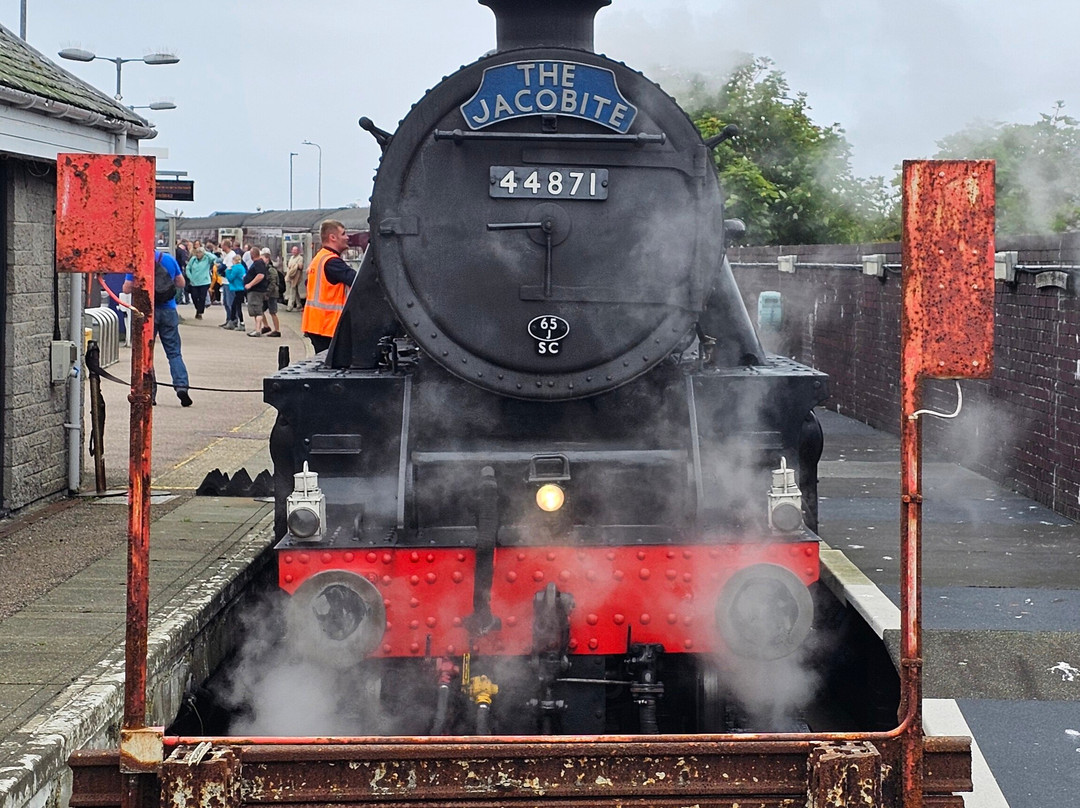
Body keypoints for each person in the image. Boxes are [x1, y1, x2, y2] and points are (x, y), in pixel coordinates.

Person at [123, 249, 192, 407]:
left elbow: (126, 288)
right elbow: (181, 283)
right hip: (168, 310)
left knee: (146, 354)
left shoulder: (137, 260)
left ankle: (149, 392)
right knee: (174, 352)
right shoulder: (168, 259)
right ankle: (182, 387)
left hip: (146, 311)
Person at [302, 219, 356, 353]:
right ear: (333, 237)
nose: (347, 237)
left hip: (316, 324)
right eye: (343, 234)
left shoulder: (319, 258)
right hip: (327, 325)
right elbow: (358, 281)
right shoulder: (332, 262)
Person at [243, 247, 270, 337]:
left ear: (252, 255)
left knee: (257, 310)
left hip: (256, 291)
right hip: (255, 291)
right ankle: (257, 328)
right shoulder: (258, 263)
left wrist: (250, 284)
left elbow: (260, 275)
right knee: (255, 311)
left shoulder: (258, 263)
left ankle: (258, 330)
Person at [185, 242, 214, 319]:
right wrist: (190, 277)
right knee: (194, 297)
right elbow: (188, 268)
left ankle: (200, 312)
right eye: (197, 253)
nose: (198, 254)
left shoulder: (207, 259)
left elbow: (214, 258)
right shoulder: (193, 259)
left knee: (202, 297)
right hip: (194, 282)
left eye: (200, 253)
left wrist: (206, 252)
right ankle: (198, 308)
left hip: (204, 282)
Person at [259, 247, 282, 336]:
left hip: (272, 294)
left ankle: (277, 330)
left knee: (273, 312)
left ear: (267, 258)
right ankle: (266, 326)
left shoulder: (271, 269)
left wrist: (267, 292)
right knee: (260, 310)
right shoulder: (265, 268)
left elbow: (273, 282)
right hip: (267, 293)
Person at [224, 254, 247, 329]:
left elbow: (231, 278)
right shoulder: (242, 267)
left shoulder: (236, 268)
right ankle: (232, 321)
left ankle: (241, 323)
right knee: (235, 306)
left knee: (237, 307)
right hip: (241, 288)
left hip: (238, 288)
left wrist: (227, 271)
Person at [284, 245, 304, 311]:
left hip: (296, 276)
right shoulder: (291, 257)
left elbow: (301, 267)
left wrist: (295, 266)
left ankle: (290, 306)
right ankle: (299, 304)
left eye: (295, 250)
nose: (294, 251)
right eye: (293, 250)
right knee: (295, 290)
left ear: (298, 251)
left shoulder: (300, 258)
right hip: (290, 276)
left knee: (292, 290)